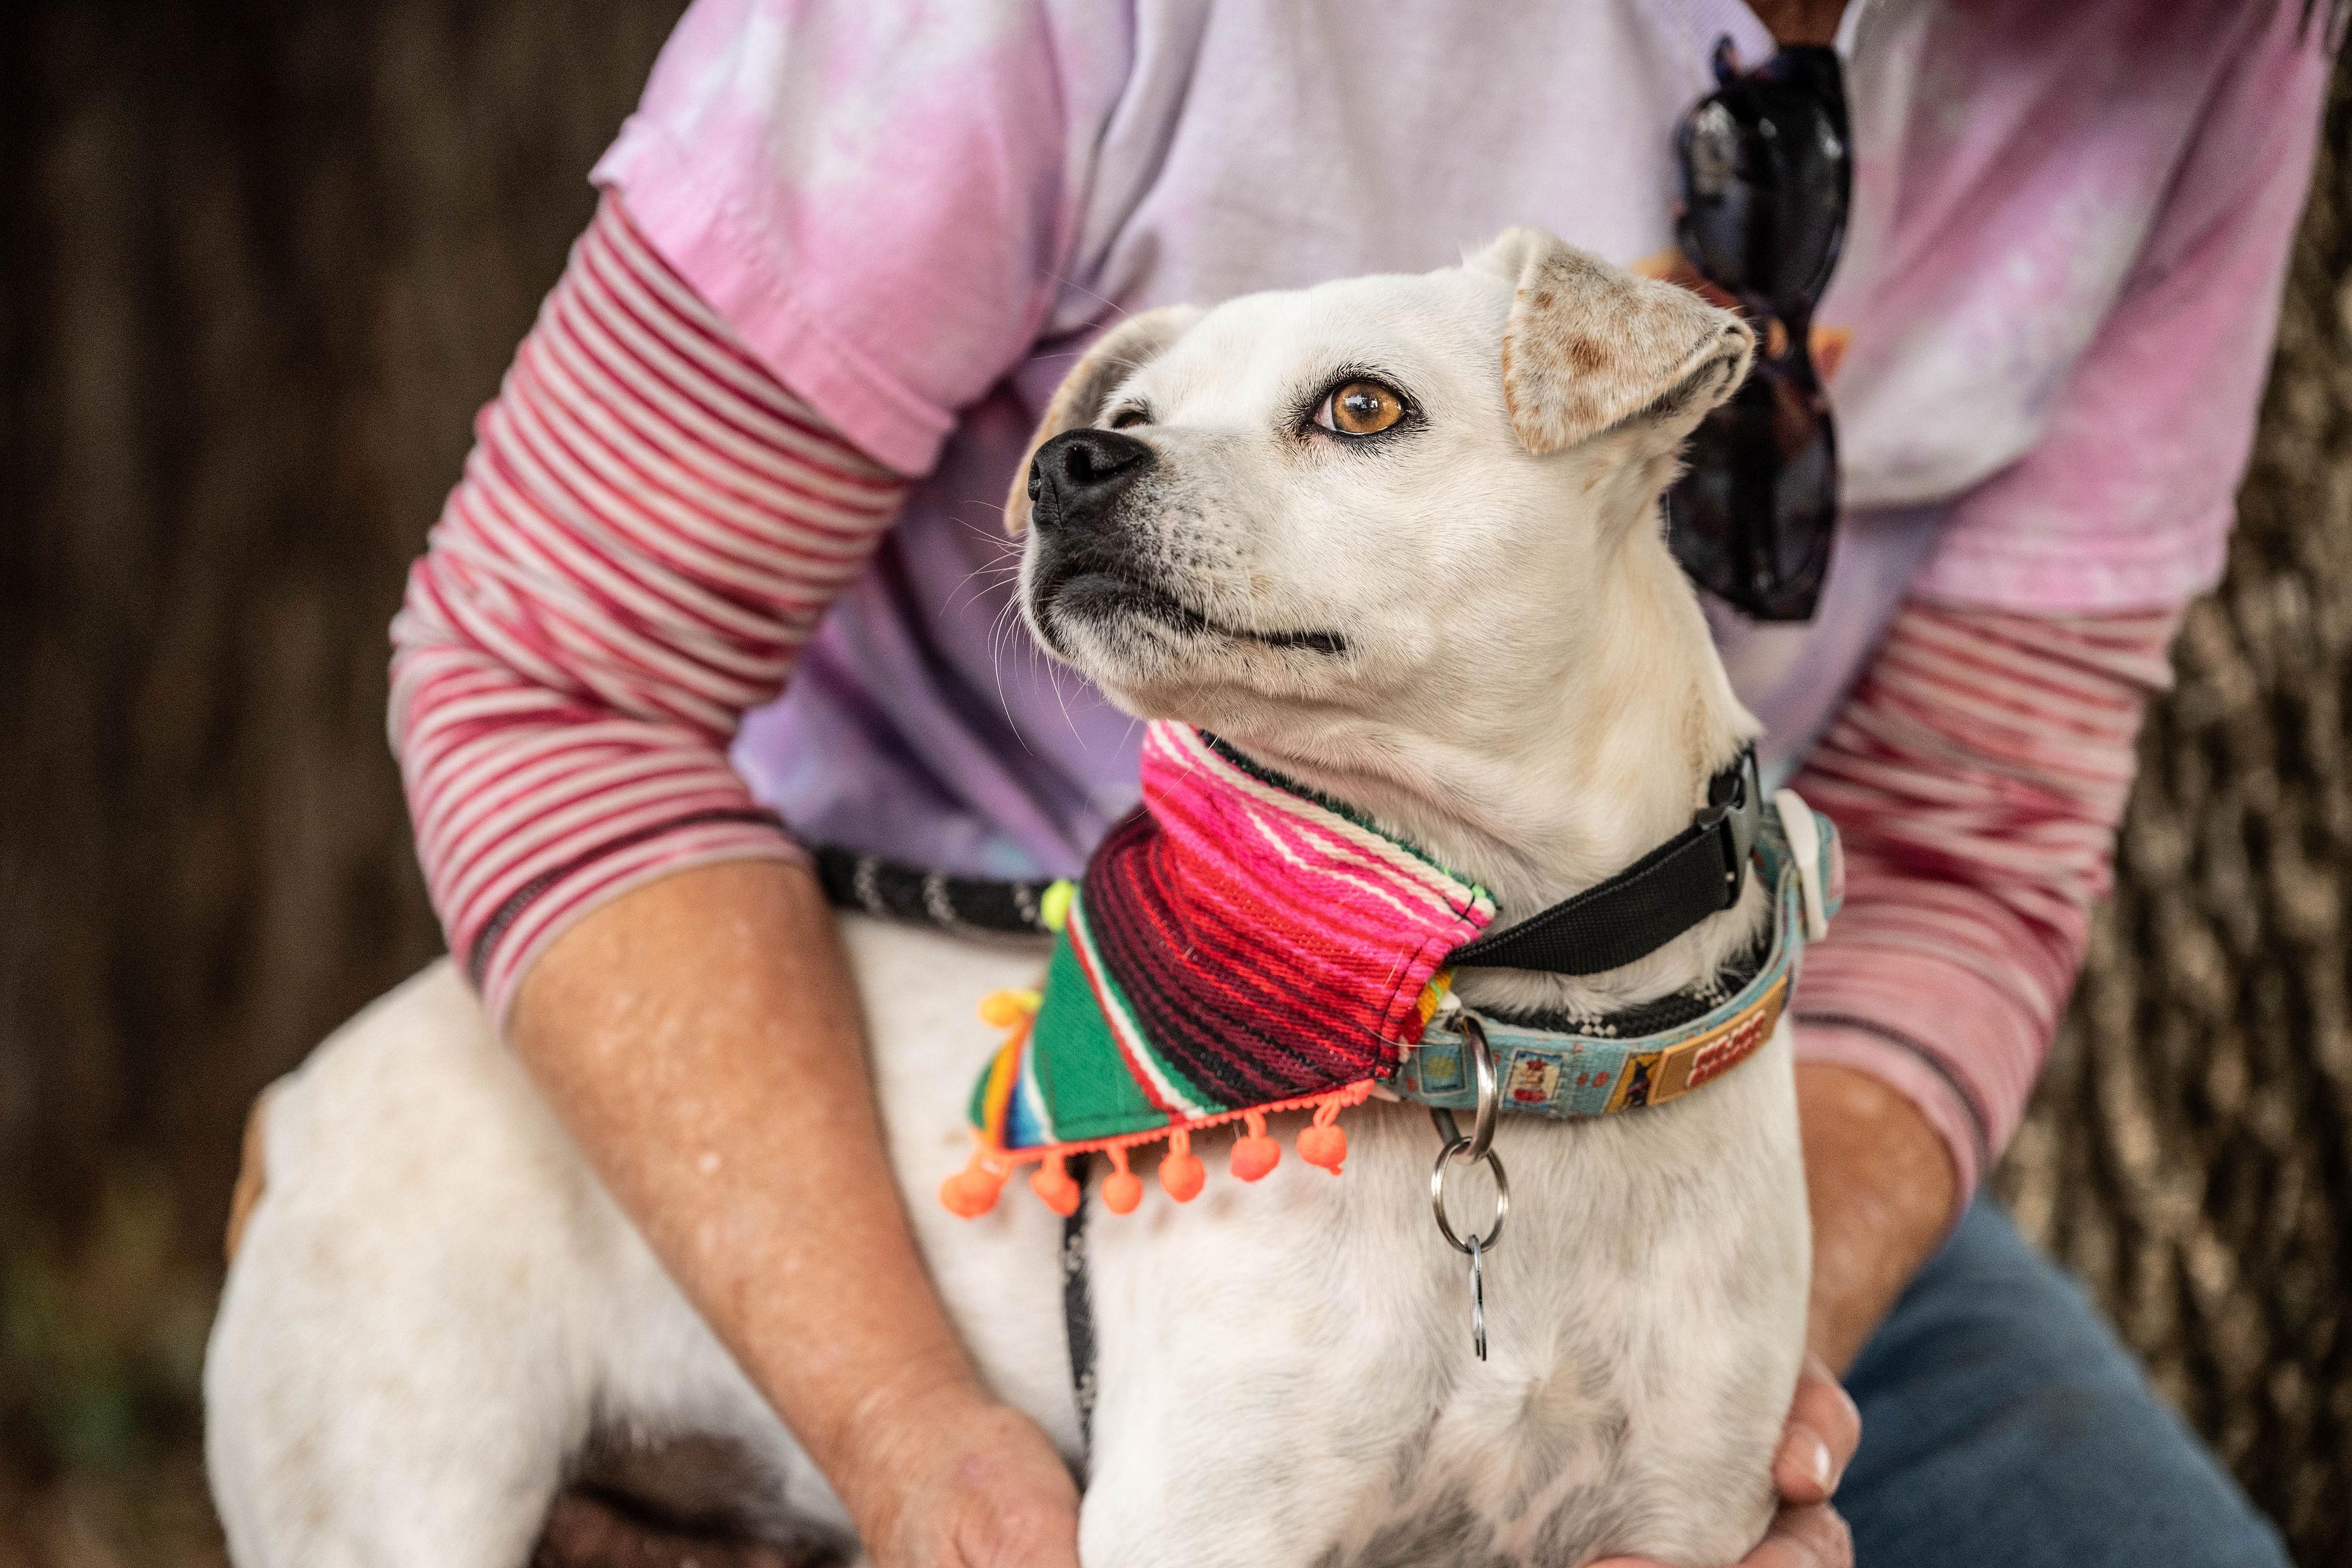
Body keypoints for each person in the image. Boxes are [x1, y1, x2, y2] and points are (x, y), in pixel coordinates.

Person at [387, 3, 2334, 1564]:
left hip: (1698, 1105)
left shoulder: (2218, 42)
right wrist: (911, 1438)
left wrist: (1724, 1389)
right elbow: (544, 676)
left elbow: (1969, 832)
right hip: (892, 1097)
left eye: (1355, 416)